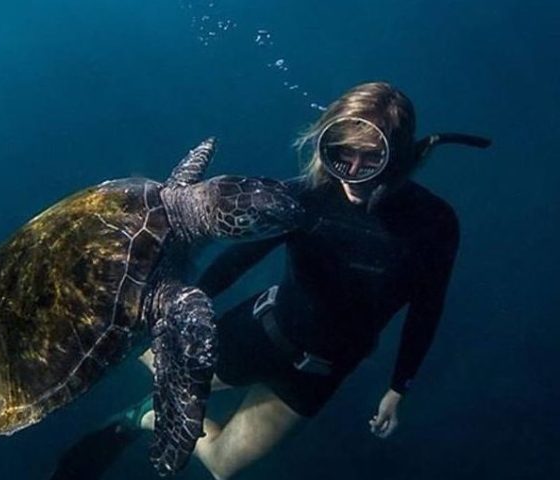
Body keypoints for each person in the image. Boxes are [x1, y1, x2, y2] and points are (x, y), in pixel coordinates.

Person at [51, 82, 490, 480]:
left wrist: (399, 386)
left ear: (398, 155)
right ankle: (158, 400)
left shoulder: (434, 223)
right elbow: (239, 258)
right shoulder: (302, 197)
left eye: (371, 158)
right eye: (342, 155)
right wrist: (173, 303)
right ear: (326, 148)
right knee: (153, 355)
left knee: (223, 467)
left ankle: (143, 417)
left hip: (322, 369)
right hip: (262, 332)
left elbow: (428, 307)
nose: (353, 172)